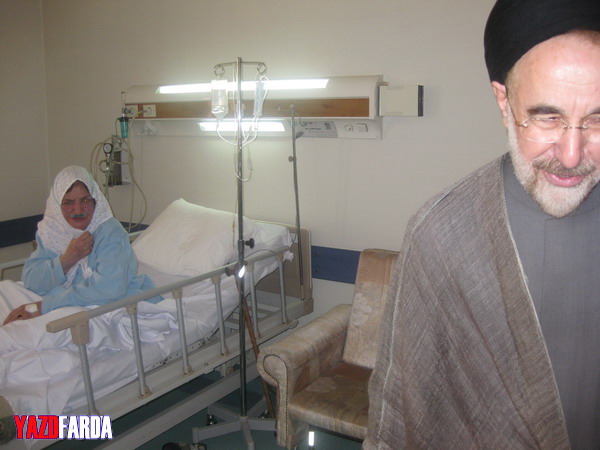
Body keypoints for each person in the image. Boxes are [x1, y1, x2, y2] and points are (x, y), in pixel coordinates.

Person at [364, 0, 600, 449]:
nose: (572, 156)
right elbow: (402, 407)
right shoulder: (439, 234)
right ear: (504, 102)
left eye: (597, 119)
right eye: (547, 117)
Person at [2, 165, 159, 325]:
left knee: (26, 330)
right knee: (5, 291)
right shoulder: (52, 232)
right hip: (64, 300)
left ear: (95, 200)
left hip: (111, 305)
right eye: (68, 202)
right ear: (56, 204)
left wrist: (45, 306)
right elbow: (32, 281)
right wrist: (66, 260)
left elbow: (108, 289)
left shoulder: (110, 232)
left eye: (85, 200)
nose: (78, 210)